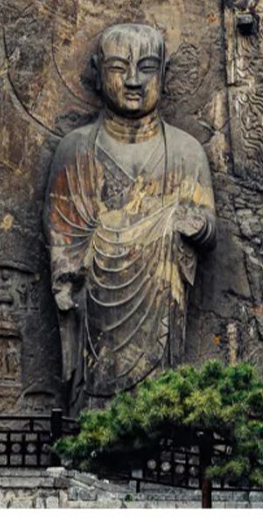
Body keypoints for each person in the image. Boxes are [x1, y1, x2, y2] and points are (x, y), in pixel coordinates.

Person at [46, 23, 215, 405]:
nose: (134, 81)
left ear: (164, 74)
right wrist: (68, 278)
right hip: (98, 314)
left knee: (159, 403)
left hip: (160, 305)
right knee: (96, 407)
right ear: (97, 72)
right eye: (119, 68)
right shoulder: (76, 150)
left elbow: (209, 227)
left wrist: (193, 224)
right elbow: (61, 234)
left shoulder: (186, 152)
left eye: (147, 67)